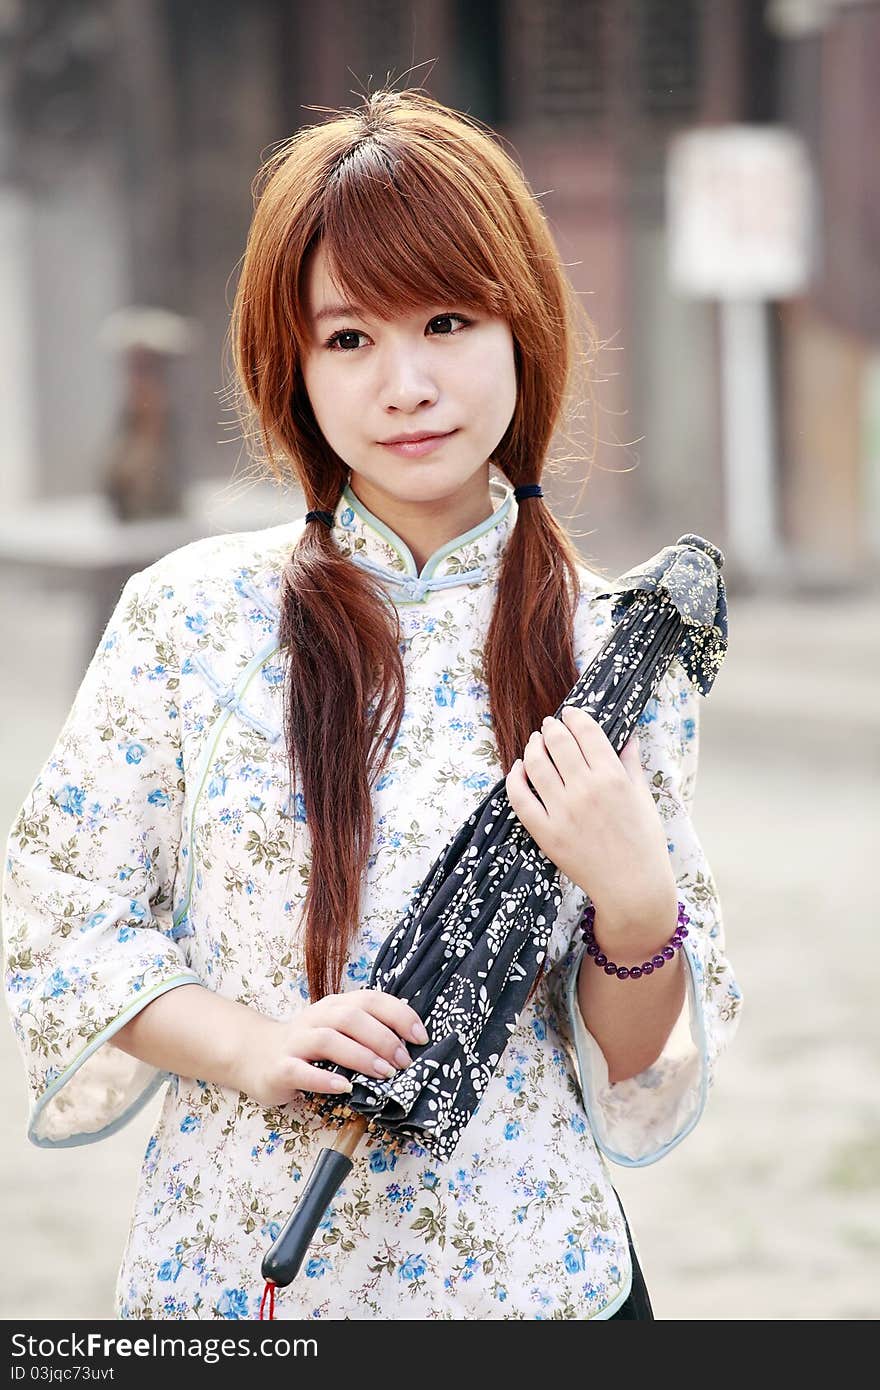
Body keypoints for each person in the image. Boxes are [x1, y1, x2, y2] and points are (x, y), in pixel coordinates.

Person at [1, 88, 742, 1321]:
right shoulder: (193, 616)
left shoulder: (610, 646)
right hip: (237, 1278)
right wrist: (250, 1045)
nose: (406, 383)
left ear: (522, 330)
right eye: (347, 338)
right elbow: (54, 914)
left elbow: (624, 1055)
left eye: (446, 320)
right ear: (290, 367)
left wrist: (634, 892)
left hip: (532, 1277)